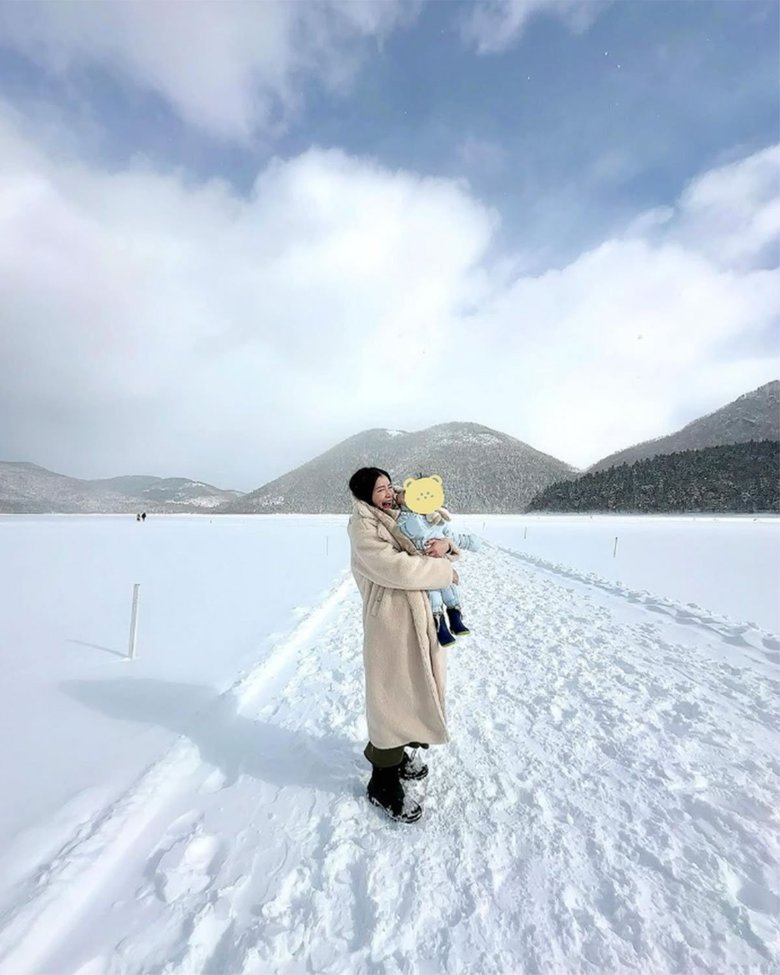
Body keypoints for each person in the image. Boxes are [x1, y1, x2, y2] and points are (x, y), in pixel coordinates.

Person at [347, 467, 460, 823]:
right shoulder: (363, 526)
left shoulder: (400, 512)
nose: (387, 492)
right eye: (379, 489)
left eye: (388, 485)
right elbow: (396, 568)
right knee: (390, 696)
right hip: (390, 621)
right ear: (365, 495)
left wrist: (446, 546)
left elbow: (431, 535)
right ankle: (382, 780)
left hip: (418, 616)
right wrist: (442, 572)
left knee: (411, 689)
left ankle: (395, 755)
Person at [395, 485, 480, 646]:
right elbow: (408, 531)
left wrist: (468, 542)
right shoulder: (405, 517)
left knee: (450, 587)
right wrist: (424, 518)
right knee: (433, 594)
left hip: (441, 563)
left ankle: (455, 617)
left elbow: (450, 536)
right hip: (424, 565)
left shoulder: (439, 517)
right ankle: (440, 624)